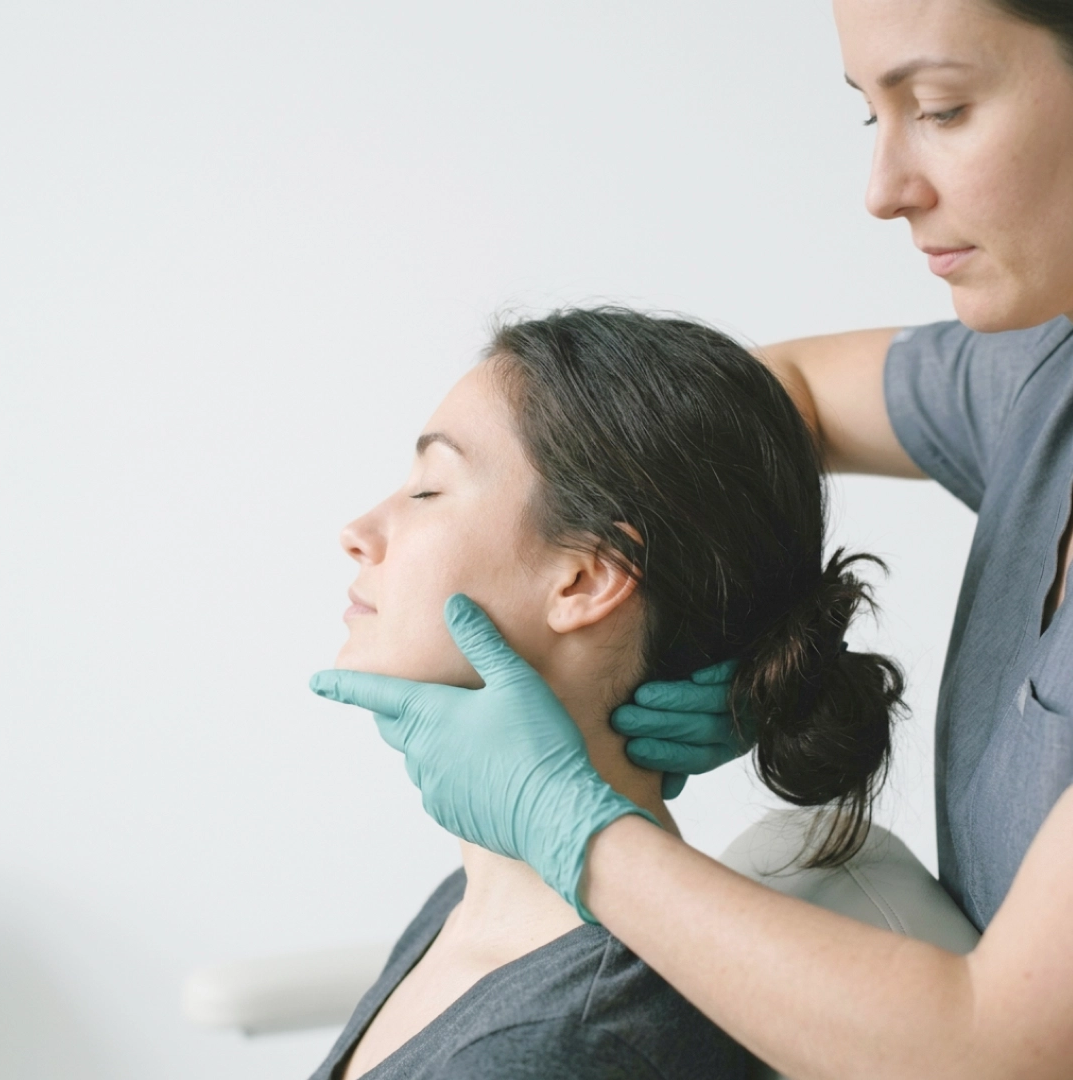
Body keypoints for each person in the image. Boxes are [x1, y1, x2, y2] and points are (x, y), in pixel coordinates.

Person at [311, 1, 1073, 1077]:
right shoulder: (1045, 373)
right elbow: (741, 407)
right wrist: (721, 604)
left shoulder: (568, 1038)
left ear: (588, 575)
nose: (883, 189)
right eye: (873, 116)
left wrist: (570, 824)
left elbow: (1001, 1050)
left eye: (942, 108)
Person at [309, 309, 906, 1079]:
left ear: (585, 579)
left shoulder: (568, 1046)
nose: (357, 531)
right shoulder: (471, 903)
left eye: (428, 490)